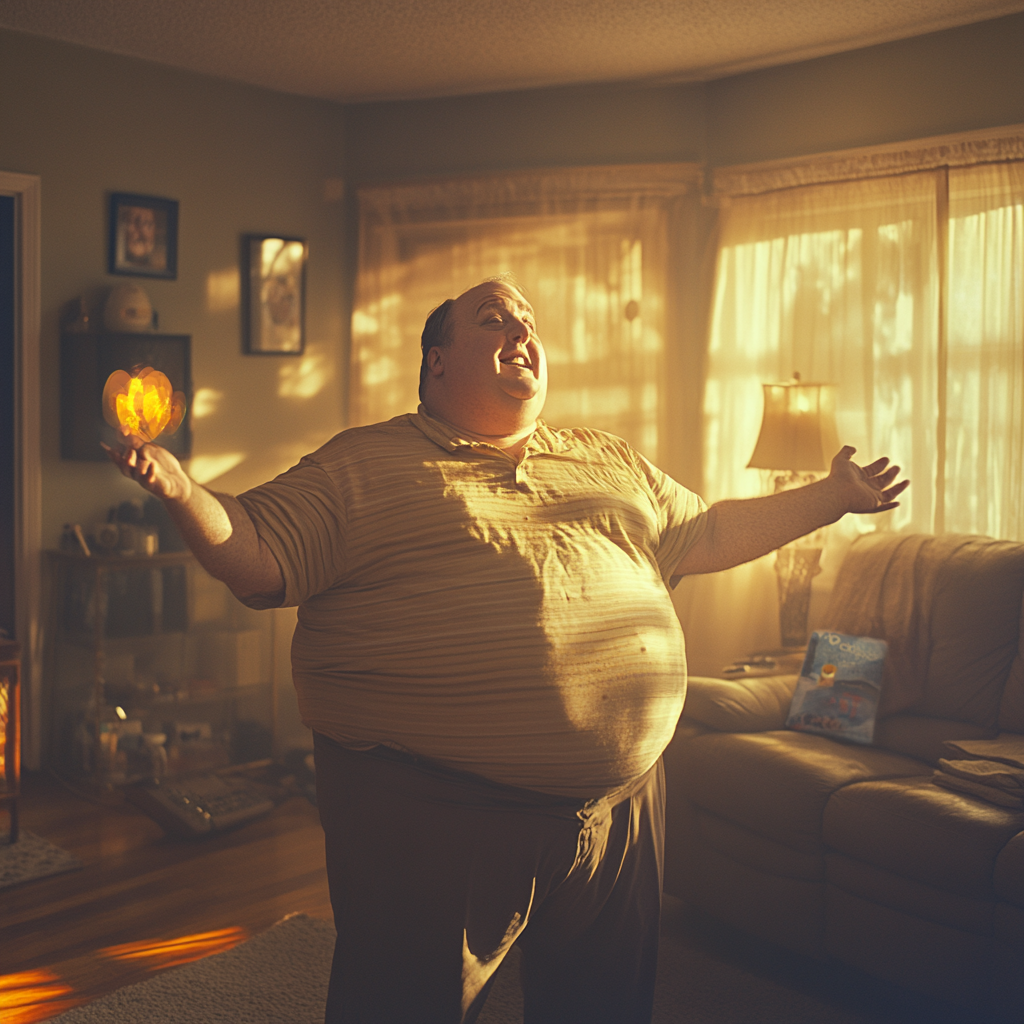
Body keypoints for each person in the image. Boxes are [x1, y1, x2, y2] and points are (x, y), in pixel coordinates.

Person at [107, 277, 907, 1024]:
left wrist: (833, 498)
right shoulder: (365, 463)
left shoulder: (608, 457)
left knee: (601, 1004)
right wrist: (185, 494)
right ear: (438, 361)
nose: (521, 330)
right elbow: (255, 551)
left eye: (528, 322)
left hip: (620, 808)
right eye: (494, 318)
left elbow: (713, 531)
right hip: (433, 809)